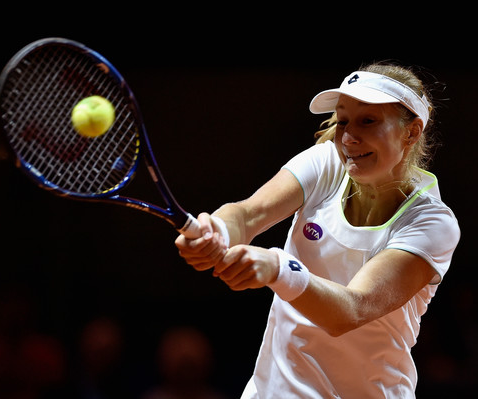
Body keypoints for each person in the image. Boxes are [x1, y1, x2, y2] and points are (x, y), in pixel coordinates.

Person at [175, 63, 461, 398]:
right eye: (343, 121)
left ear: (411, 132)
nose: (349, 137)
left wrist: (278, 268)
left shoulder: (432, 223)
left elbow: (354, 309)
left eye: (368, 121)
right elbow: (249, 214)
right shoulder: (327, 163)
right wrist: (218, 229)